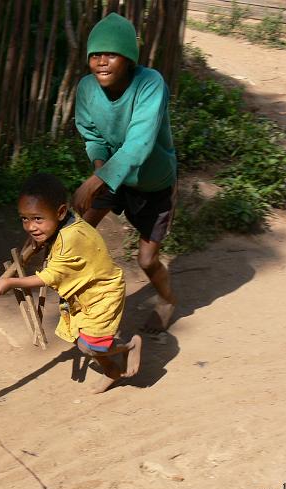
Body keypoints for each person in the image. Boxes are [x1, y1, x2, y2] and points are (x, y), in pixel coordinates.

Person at [72, 12, 177, 335]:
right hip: (113, 174)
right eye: (95, 55)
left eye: (111, 54)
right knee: (77, 236)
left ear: (129, 59)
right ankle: (88, 301)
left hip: (153, 182)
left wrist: (95, 181)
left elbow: (139, 144)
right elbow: (93, 137)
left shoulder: (149, 83)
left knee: (146, 260)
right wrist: (100, 171)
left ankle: (168, 301)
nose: (102, 62)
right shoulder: (87, 89)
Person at [0, 173, 142, 394]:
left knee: (88, 345)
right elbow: (52, 247)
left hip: (103, 292)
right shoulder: (64, 224)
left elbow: (48, 277)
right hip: (85, 293)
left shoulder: (70, 239)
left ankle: (130, 346)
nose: (30, 226)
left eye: (37, 219)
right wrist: (40, 238)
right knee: (80, 338)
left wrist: (11, 282)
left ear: (60, 212)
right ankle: (113, 371)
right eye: (24, 219)